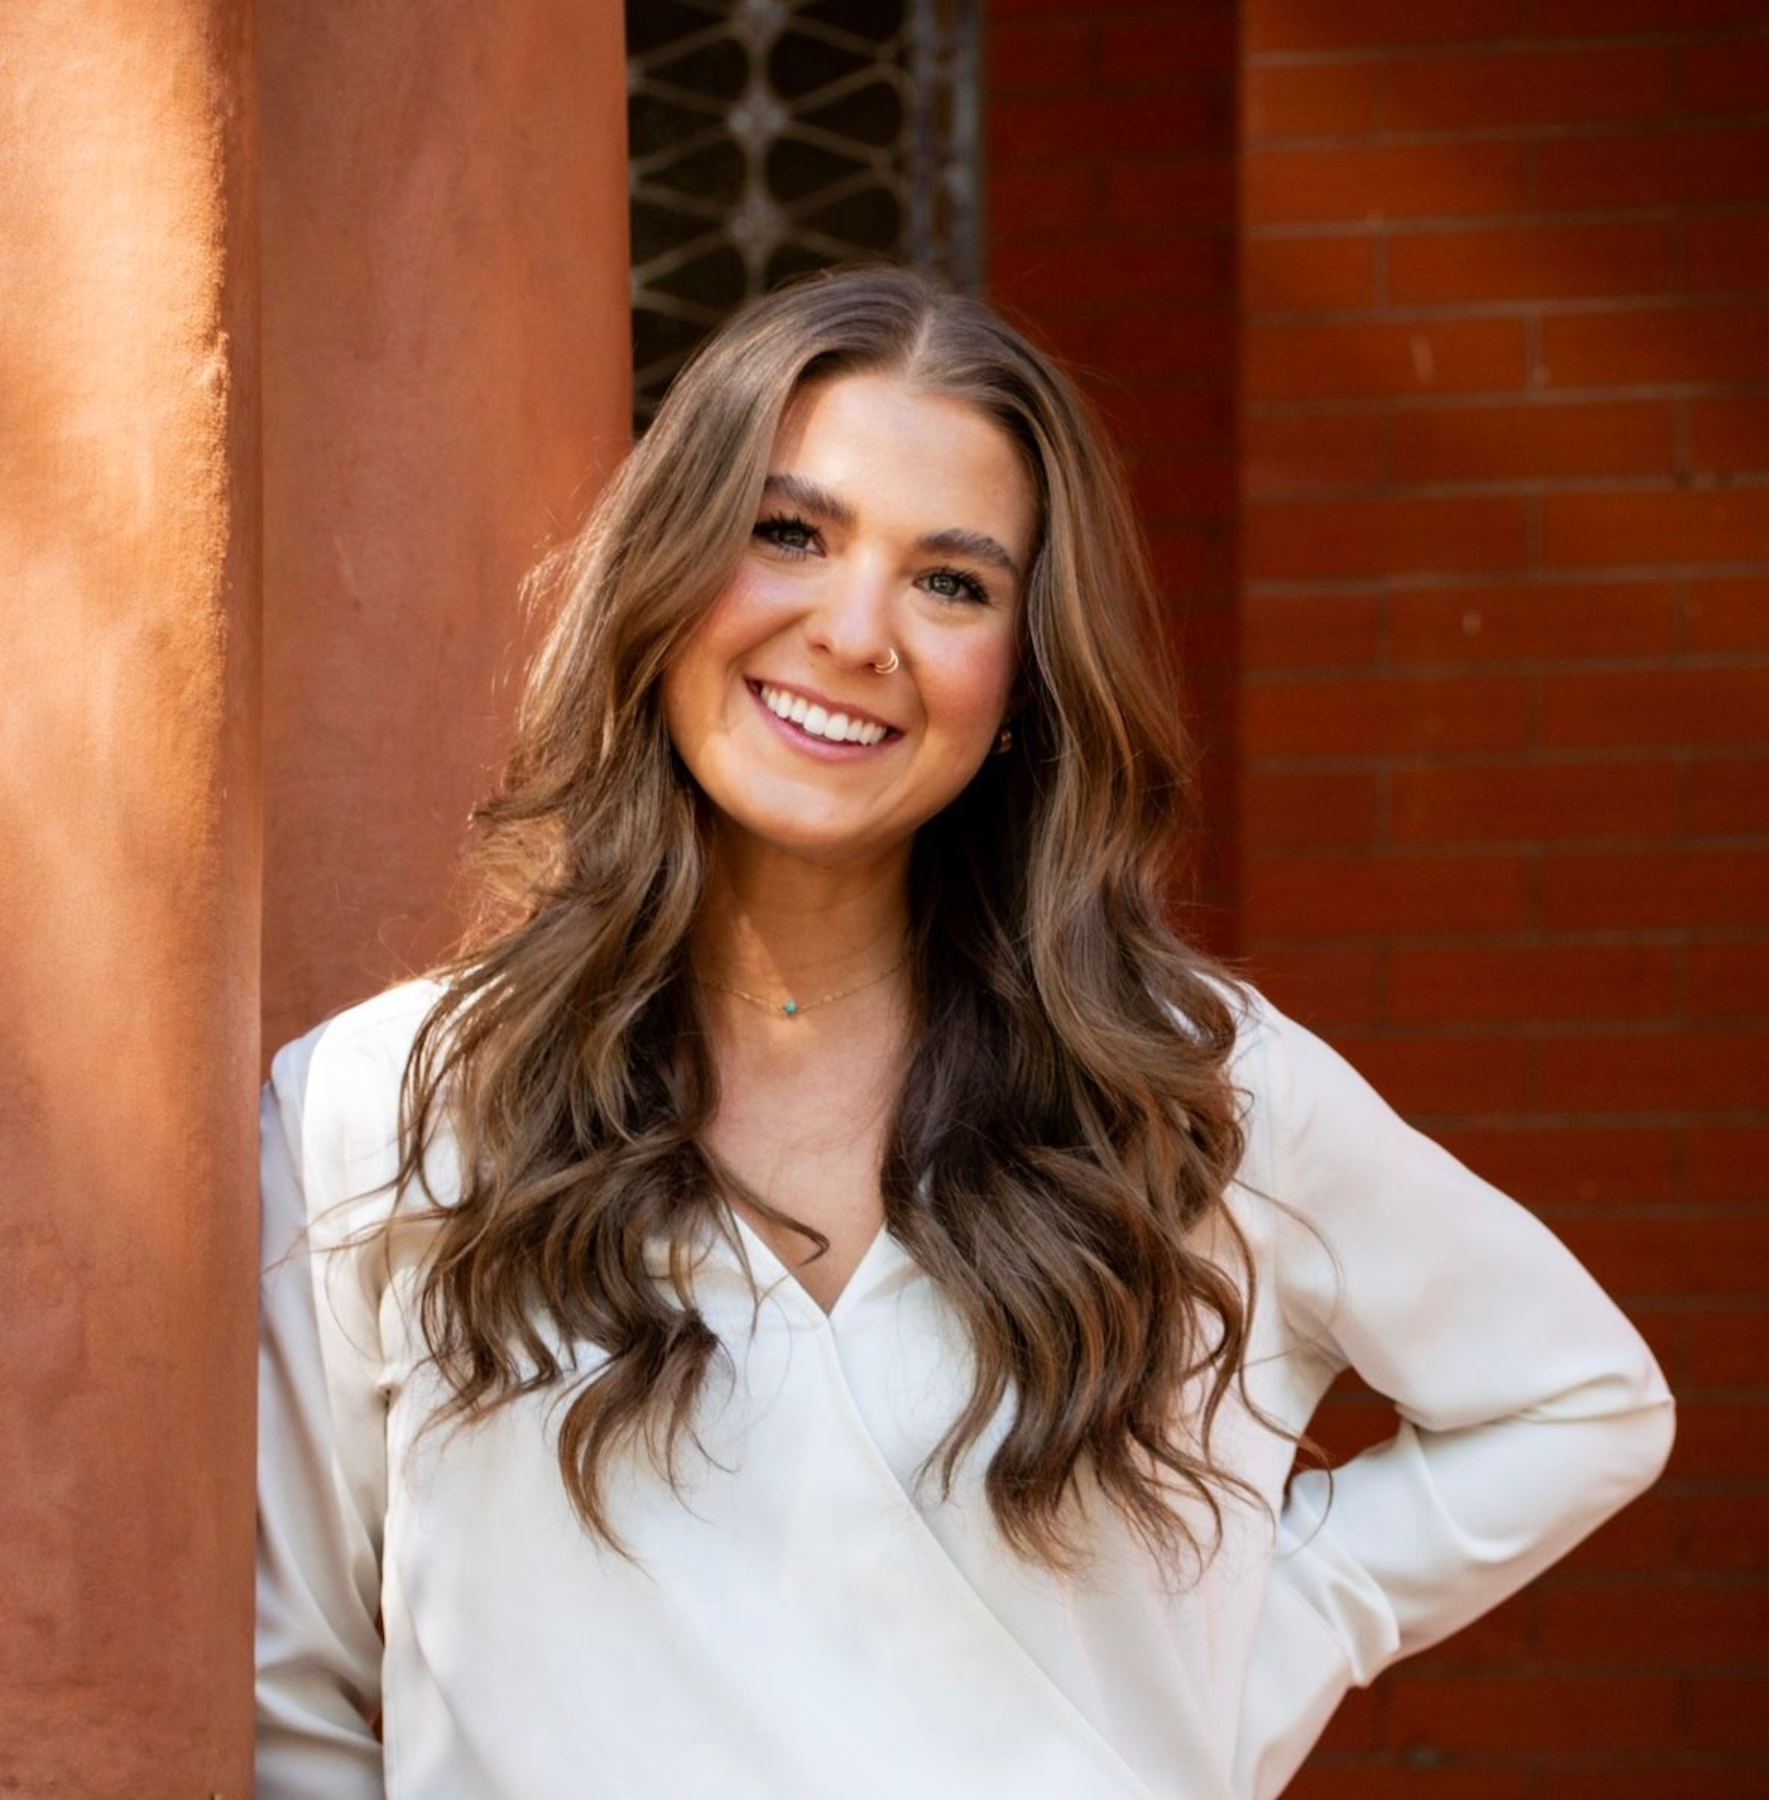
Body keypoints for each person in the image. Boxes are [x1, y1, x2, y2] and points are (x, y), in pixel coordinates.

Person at [255, 265, 1676, 1800]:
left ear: (1021, 680)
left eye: (954, 582)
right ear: (663, 574)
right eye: (786, 532)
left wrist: (1243, 1653)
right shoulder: (388, 1106)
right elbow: (297, 1700)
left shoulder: (1195, 1093)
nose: (855, 631)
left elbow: (1582, 1401)